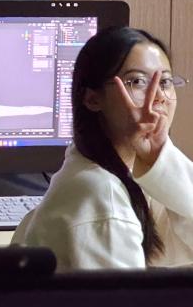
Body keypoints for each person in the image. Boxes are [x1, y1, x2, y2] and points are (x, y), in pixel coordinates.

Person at [13, 26, 193, 270]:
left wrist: (160, 157)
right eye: (138, 81)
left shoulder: (133, 175)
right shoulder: (102, 195)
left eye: (165, 82)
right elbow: (125, 297)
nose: (159, 95)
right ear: (92, 98)